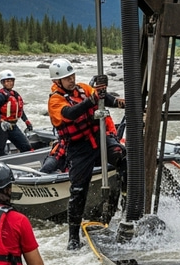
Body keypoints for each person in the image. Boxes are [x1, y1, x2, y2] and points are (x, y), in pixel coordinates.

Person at [47, 58, 126, 250]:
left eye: (72, 76)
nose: (71, 80)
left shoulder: (83, 88)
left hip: (98, 137)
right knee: (78, 191)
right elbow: (70, 113)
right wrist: (91, 101)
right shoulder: (55, 100)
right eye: (67, 78)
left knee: (123, 158)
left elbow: (102, 97)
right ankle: (73, 236)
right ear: (58, 82)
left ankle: (125, 209)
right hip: (79, 148)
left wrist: (116, 102)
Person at [0, 70, 34, 158]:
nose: (9, 83)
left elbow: (19, 109)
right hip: (1, 127)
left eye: (11, 81)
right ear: (2, 83)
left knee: (26, 147)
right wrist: (1, 121)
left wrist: (26, 121)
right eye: (7, 81)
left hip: (13, 126)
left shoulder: (15, 95)